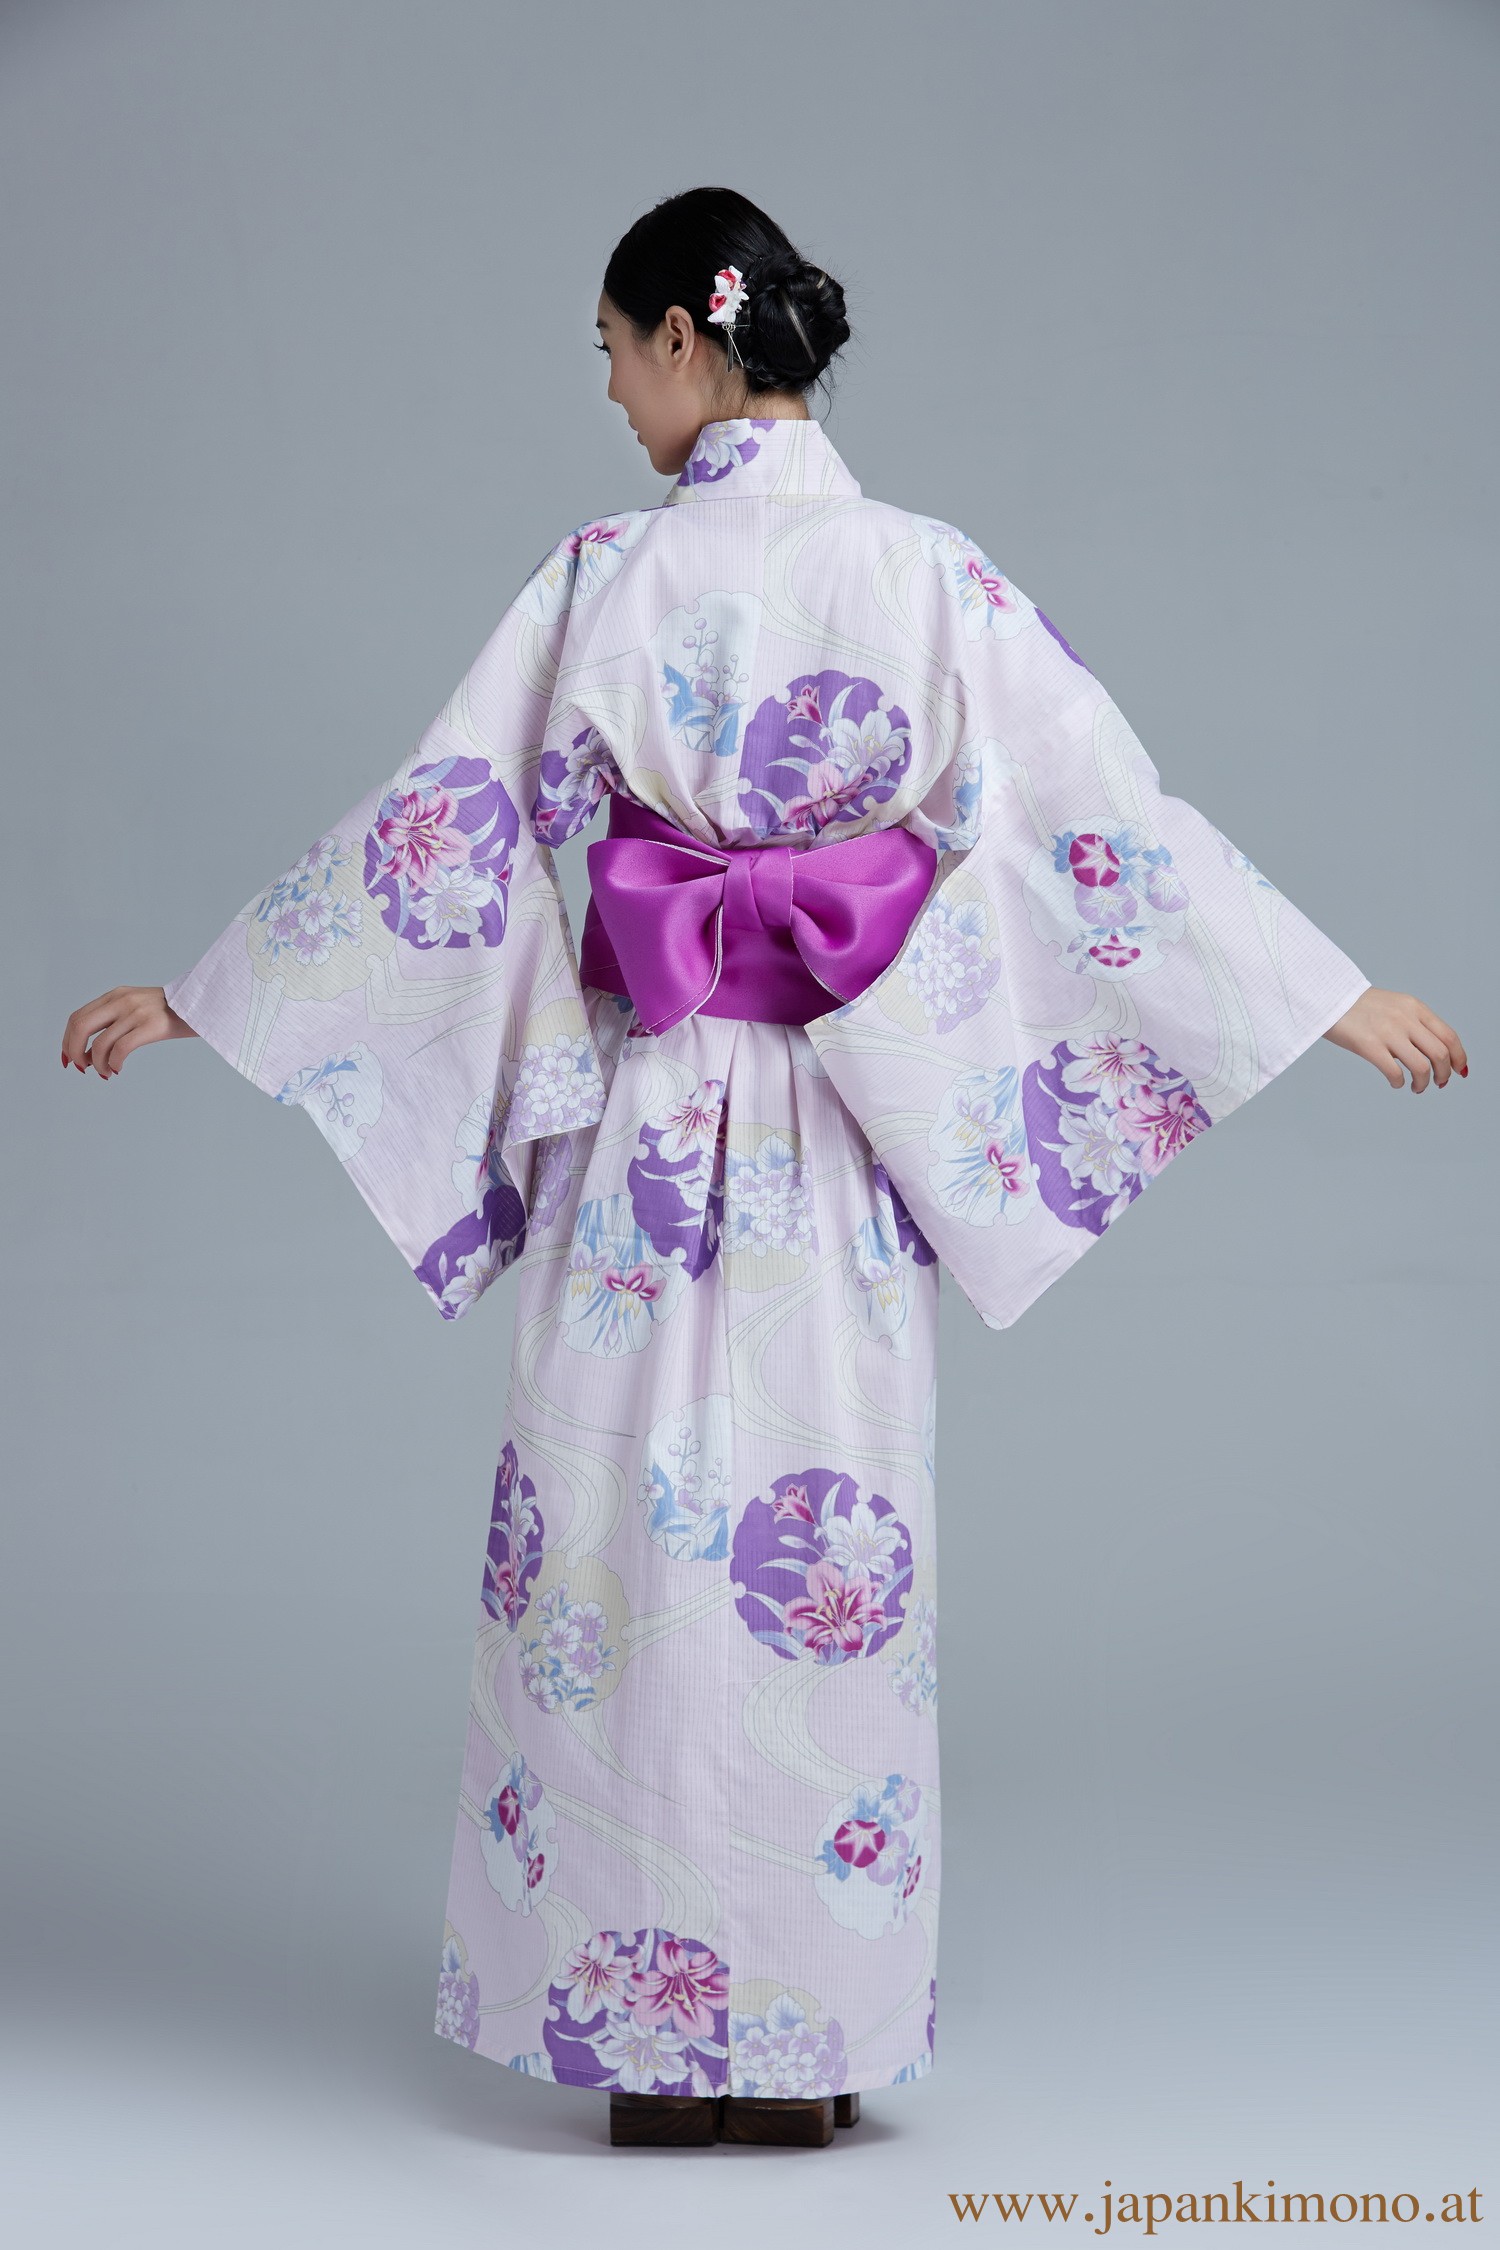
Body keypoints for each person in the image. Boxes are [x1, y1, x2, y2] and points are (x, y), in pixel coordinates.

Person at [61, 186, 1467, 2151]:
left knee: (615, 1542)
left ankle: (646, 2048)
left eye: (611, 353)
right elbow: (1107, 825)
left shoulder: (602, 577)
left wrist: (225, 994)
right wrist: (1314, 988)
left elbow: (446, 822)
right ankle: (802, 2049)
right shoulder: (931, 575)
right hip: (837, 1135)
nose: (608, 394)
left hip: (651, 1116)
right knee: (830, 1558)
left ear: (684, 340)